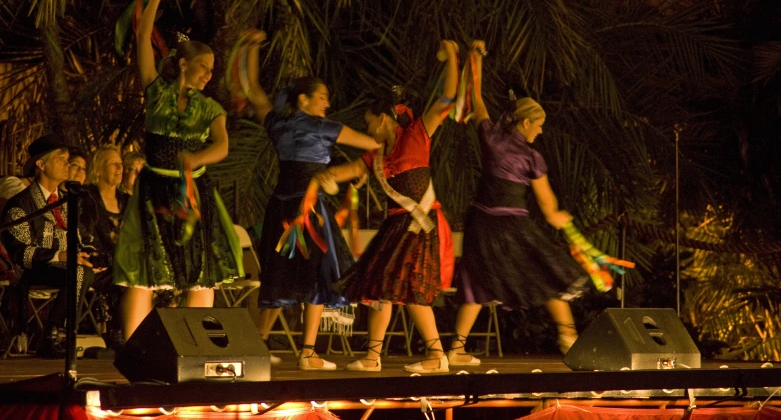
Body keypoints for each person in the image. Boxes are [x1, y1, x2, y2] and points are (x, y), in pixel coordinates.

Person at [314, 39, 460, 373]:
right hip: (395, 228)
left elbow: (447, 99)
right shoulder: (377, 156)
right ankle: (372, 356)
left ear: (382, 119)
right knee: (381, 289)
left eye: (367, 122)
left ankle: (437, 357)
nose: (366, 129)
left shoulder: (417, 137)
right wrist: (323, 176)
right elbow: (348, 170)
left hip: (419, 226)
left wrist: (452, 57)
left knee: (408, 291)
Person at [114, 0, 243, 341]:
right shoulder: (155, 91)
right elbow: (142, 37)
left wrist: (195, 158)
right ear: (184, 65)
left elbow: (222, 147)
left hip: (193, 192)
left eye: (213, 71)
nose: (209, 75)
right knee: (145, 271)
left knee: (200, 269)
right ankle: (135, 346)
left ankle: (193, 344)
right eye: (204, 67)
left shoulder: (211, 108)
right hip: (154, 189)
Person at [243, 31, 380, 370]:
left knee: (279, 273)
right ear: (303, 99)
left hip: (280, 204)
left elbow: (252, 90)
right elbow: (374, 146)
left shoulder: (276, 122)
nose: (327, 103)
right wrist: (352, 172)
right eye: (322, 98)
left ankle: (261, 346)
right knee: (317, 275)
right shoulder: (323, 127)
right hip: (309, 210)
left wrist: (249, 50)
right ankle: (307, 352)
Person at [447, 41, 589, 365]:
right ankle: (569, 338)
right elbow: (548, 204)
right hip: (511, 225)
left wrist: (475, 58)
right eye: (538, 125)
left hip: (481, 222)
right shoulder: (531, 155)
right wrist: (559, 218)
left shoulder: (490, 134)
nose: (540, 131)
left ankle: (456, 350)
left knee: (475, 280)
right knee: (548, 275)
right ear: (525, 123)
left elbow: (477, 99)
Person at [0, 133, 101, 358]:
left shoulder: (68, 200)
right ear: (41, 164)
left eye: (68, 159)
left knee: (115, 271)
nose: (67, 164)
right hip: (38, 270)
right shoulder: (21, 204)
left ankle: (116, 335)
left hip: (70, 267)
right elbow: (21, 253)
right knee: (79, 273)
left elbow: (83, 239)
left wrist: (91, 256)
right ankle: (52, 333)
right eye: (61, 159)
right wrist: (62, 256)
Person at [80, 145, 129, 348]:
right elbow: (84, 235)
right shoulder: (86, 197)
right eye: (113, 164)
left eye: (121, 164)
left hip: (125, 262)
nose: (119, 168)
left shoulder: (127, 200)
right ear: (98, 169)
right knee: (124, 279)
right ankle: (119, 330)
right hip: (97, 263)